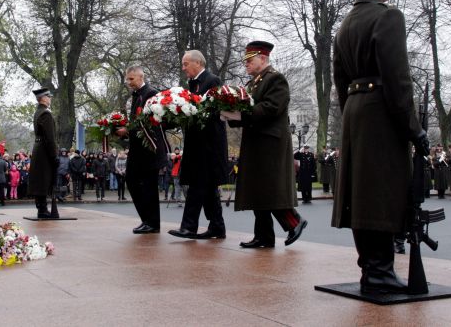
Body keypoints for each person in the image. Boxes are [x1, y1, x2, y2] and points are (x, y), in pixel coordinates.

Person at [332, 0, 429, 294]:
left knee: (362, 193)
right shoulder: (388, 17)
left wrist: (351, 113)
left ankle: (371, 268)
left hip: (356, 110)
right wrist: (414, 128)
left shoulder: (345, 25)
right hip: (381, 112)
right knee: (384, 190)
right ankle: (380, 270)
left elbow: (340, 80)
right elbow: (398, 80)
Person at [222, 41, 307, 248]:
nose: (246, 64)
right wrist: (229, 114)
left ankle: (294, 222)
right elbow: (249, 110)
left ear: (263, 58)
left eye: (249, 60)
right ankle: (264, 236)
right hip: (257, 140)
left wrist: (240, 114)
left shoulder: (275, 79)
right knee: (257, 188)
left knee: (270, 188)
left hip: (270, 143)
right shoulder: (253, 83)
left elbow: (271, 108)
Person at [169, 50, 228, 240]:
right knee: (208, 188)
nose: (183, 68)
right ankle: (217, 227)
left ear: (198, 63)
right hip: (198, 144)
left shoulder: (212, 81)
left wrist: (189, 110)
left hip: (209, 145)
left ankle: (188, 227)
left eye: (186, 64)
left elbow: (215, 112)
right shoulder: (193, 84)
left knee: (197, 185)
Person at [115, 65, 169, 234]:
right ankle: (147, 219)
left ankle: (152, 223)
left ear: (141, 77)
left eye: (131, 79)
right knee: (131, 180)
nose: (128, 82)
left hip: (149, 149)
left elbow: (147, 122)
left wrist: (127, 129)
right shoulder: (137, 95)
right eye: (127, 79)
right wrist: (123, 129)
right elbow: (136, 122)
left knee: (149, 186)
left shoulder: (151, 94)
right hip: (137, 149)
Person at [27, 88, 58, 218]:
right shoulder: (46, 114)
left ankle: (41, 208)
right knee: (44, 179)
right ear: (44, 98)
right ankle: (43, 209)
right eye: (48, 96)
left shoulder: (38, 112)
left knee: (41, 179)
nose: (50, 99)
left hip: (39, 148)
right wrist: (54, 155)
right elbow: (50, 138)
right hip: (44, 150)